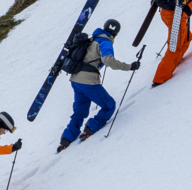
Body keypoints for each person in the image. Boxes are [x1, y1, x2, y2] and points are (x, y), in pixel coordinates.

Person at [57, 20, 139, 150]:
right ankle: (91, 127)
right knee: (109, 105)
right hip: (88, 81)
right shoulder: (105, 42)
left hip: (76, 80)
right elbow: (108, 61)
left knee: (80, 111)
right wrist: (129, 67)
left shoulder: (91, 39)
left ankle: (66, 139)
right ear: (116, 33)